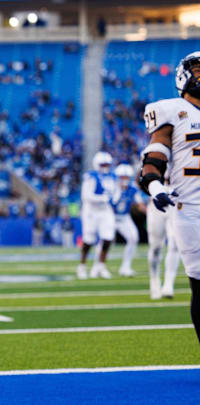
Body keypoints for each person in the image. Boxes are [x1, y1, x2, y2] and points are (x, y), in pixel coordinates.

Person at [139, 51, 200, 343]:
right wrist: (154, 186)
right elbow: (156, 152)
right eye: (198, 69)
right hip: (191, 208)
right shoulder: (173, 110)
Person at [77, 151, 116, 280]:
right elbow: (86, 196)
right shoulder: (91, 176)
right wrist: (102, 198)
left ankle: (101, 266)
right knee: (89, 240)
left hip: (105, 210)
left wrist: (113, 199)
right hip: (91, 211)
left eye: (107, 164)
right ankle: (82, 266)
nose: (105, 166)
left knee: (108, 237)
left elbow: (115, 193)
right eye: (102, 164)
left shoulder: (112, 177)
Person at [144, 171, 180, 299]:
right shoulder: (156, 152)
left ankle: (168, 284)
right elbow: (142, 178)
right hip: (156, 205)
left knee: (175, 244)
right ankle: (154, 280)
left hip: (176, 204)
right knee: (155, 247)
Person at [111, 164, 145, 277]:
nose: (124, 180)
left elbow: (140, 204)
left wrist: (150, 211)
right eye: (122, 177)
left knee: (133, 238)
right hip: (110, 217)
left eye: (126, 177)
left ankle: (125, 267)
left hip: (124, 217)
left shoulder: (133, 189)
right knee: (105, 240)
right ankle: (98, 266)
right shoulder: (112, 188)